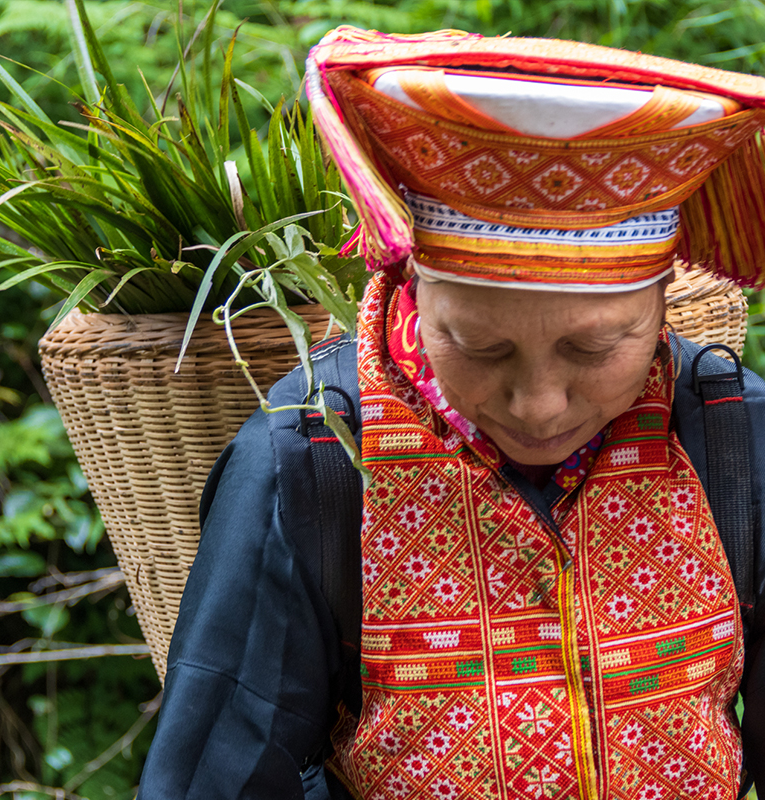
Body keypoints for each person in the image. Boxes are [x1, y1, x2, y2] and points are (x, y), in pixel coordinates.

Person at [138, 28, 765, 799]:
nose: (539, 406)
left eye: (595, 349)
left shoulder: (729, 434)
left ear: (662, 304)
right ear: (409, 283)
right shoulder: (313, 460)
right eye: (477, 345)